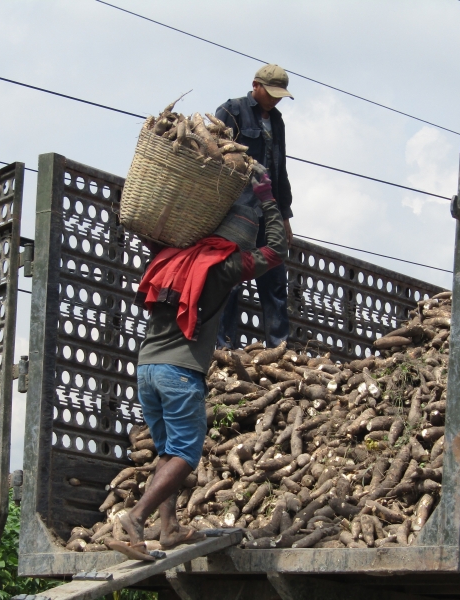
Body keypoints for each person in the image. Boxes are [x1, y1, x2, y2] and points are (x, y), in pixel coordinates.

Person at [115, 172, 287, 558]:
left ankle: (170, 528)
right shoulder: (224, 267)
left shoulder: (168, 257)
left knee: (167, 451)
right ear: (237, 243)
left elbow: (148, 229)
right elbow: (276, 250)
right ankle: (138, 516)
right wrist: (268, 201)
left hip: (146, 370)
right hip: (179, 373)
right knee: (187, 455)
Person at [215, 63, 295, 350]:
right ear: (255, 85)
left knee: (274, 279)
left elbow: (279, 170)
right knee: (230, 279)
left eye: (279, 96)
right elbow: (215, 157)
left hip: (267, 211)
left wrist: (284, 216)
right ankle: (223, 346)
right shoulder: (232, 110)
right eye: (270, 93)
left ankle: (279, 346)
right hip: (236, 212)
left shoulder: (278, 121)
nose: (274, 100)